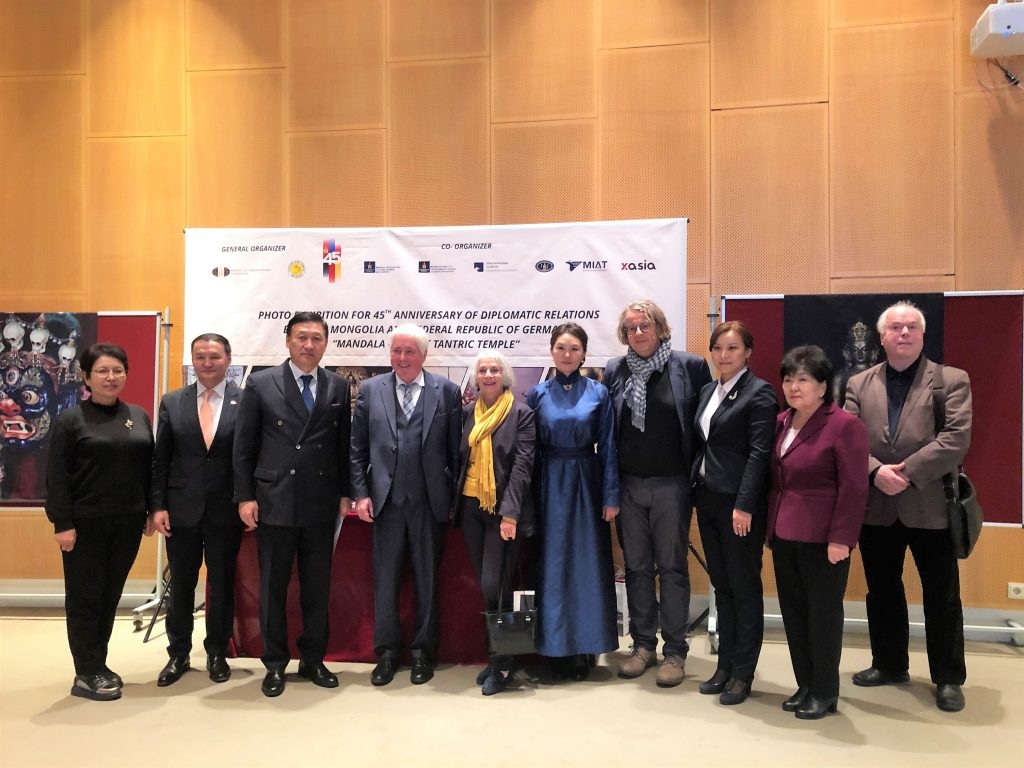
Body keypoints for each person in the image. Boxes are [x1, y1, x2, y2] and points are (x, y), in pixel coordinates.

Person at [844, 301, 973, 713]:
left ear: (922, 334)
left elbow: (956, 439)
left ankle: (948, 677)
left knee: (941, 594)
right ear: (882, 337)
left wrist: (907, 472)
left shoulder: (951, 380)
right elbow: (846, 440)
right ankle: (889, 664)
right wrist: (875, 471)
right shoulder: (858, 383)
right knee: (882, 590)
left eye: (911, 327)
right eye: (896, 327)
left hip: (930, 504)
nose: (904, 333)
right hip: (876, 505)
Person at [233, 312, 351, 697]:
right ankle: (274, 663)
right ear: (287, 340)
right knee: (273, 586)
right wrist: (245, 496)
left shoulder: (337, 385)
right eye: (301, 337)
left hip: (320, 500)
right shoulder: (261, 383)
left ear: (325, 343)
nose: (308, 345)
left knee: (317, 586)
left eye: (316, 338)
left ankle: (313, 659)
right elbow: (244, 445)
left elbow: (342, 445)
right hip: (275, 498)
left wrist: (345, 492)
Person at [603, 300, 711, 687]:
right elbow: (608, 430)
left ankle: (675, 651)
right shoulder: (615, 370)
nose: (638, 333)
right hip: (629, 485)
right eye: (631, 328)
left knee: (672, 568)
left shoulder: (690, 366)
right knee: (636, 568)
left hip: (672, 484)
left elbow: (704, 427)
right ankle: (643, 645)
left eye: (644, 326)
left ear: (660, 328)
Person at [350, 324, 461, 687]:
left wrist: (451, 499)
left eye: (409, 351)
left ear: (424, 355)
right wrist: (361, 493)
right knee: (385, 581)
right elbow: (357, 447)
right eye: (396, 351)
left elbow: (455, 451)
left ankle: (423, 653)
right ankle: (386, 653)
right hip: (386, 502)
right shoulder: (370, 390)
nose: (401, 358)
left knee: (428, 580)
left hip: (430, 502)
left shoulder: (446, 391)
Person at [45, 343, 154, 701]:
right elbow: (57, 477)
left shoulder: (138, 416)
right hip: (84, 526)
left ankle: (98, 665)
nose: (111, 377)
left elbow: (149, 469)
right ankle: (86, 672)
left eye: (117, 370)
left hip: (127, 524)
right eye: (102, 371)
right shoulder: (71, 420)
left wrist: (151, 509)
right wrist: (62, 523)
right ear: (87, 377)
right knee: (85, 598)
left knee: (109, 597)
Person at [767, 345, 868, 720]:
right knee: (794, 614)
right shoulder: (781, 422)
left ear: (823, 386)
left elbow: (854, 488)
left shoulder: (845, 426)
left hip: (825, 540)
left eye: (803, 379)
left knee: (822, 617)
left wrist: (842, 538)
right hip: (783, 534)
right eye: (788, 379)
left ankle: (825, 692)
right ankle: (806, 684)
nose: (793, 387)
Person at [527, 323, 619, 681]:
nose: (567, 354)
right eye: (561, 348)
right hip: (549, 483)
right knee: (552, 565)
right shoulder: (537, 394)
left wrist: (610, 496)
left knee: (586, 565)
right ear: (551, 351)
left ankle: (585, 647)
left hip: (586, 482)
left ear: (584, 354)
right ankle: (554, 648)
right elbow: (528, 450)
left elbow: (608, 446)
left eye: (574, 349)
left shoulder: (599, 392)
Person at [150, 333, 243, 686]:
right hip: (180, 509)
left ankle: (217, 652)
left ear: (228, 359)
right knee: (181, 585)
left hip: (226, 510)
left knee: (221, 585)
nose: (207, 363)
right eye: (200, 356)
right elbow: (161, 459)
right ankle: (178, 654)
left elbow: (249, 458)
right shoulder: (173, 401)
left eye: (214, 356)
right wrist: (158, 505)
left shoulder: (245, 401)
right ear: (193, 360)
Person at [692, 321, 777, 704]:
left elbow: (759, 454)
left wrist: (744, 504)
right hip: (709, 499)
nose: (723, 355)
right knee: (722, 586)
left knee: (743, 588)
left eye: (732, 348)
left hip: (738, 506)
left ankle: (743, 673)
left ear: (748, 352)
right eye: (718, 348)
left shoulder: (760, 393)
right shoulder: (708, 390)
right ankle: (724, 666)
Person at [455, 352, 535, 696]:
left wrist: (510, 514)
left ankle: (502, 664)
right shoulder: (467, 414)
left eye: (494, 369)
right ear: (476, 377)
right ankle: (497, 657)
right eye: (482, 370)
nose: (488, 375)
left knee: (496, 586)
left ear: (505, 376)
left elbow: (522, 468)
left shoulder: (521, 414)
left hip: (503, 512)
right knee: (487, 587)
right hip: (471, 507)